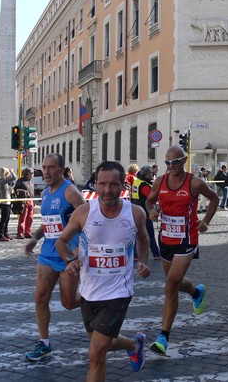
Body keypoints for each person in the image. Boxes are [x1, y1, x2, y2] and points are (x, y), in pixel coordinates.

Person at [56, 161, 151, 381]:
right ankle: (133, 344)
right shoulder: (84, 212)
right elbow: (62, 241)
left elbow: (144, 238)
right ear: (95, 185)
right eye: (102, 184)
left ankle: (131, 345)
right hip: (89, 292)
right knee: (103, 343)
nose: (108, 190)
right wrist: (70, 260)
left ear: (123, 186)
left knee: (96, 353)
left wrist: (143, 260)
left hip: (119, 292)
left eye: (113, 184)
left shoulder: (136, 214)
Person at [145, 146, 218, 355]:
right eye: (167, 163)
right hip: (166, 238)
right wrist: (152, 210)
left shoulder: (194, 182)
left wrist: (206, 221)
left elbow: (214, 199)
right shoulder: (160, 181)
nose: (171, 166)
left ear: (184, 160)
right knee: (174, 283)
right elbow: (150, 200)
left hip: (187, 239)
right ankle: (196, 292)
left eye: (175, 162)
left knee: (170, 285)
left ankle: (163, 338)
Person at [23, 153, 86, 361]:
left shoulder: (70, 191)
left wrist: (77, 249)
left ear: (61, 169)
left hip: (66, 256)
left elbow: (88, 219)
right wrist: (35, 237)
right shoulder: (46, 193)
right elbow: (49, 222)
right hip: (48, 254)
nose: (47, 172)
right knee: (40, 298)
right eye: (44, 167)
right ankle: (44, 343)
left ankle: (93, 301)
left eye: (51, 167)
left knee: (69, 303)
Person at [131, 165, 161, 259]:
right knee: (149, 234)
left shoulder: (137, 182)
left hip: (136, 212)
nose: (152, 175)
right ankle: (156, 253)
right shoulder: (144, 185)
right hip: (145, 213)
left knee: (138, 234)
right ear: (146, 175)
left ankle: (135, 254)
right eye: (150, 174)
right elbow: (152, 197)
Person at [0, 167, 16, 242]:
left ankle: (5, 233)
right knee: (3, 219)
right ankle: (1, 235)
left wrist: (10, 190)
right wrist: (12, 171)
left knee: (7, 219)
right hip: (4, 202)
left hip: (7, 201)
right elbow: (14, 177)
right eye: (8, 173)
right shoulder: (2, 181)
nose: (9, 174)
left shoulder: (3, 181)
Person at [15, 168, 35, 239]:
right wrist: (24, 192)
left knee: (30, 217)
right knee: (23, 217)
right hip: (24, 201)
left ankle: (27, 232)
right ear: (27, 173)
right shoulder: (21, 181)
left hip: (31, 201)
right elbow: (16, 189)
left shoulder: (31, 181)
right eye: (31, 173)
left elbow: (32, 192)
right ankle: (20, 233)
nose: (33, 175)